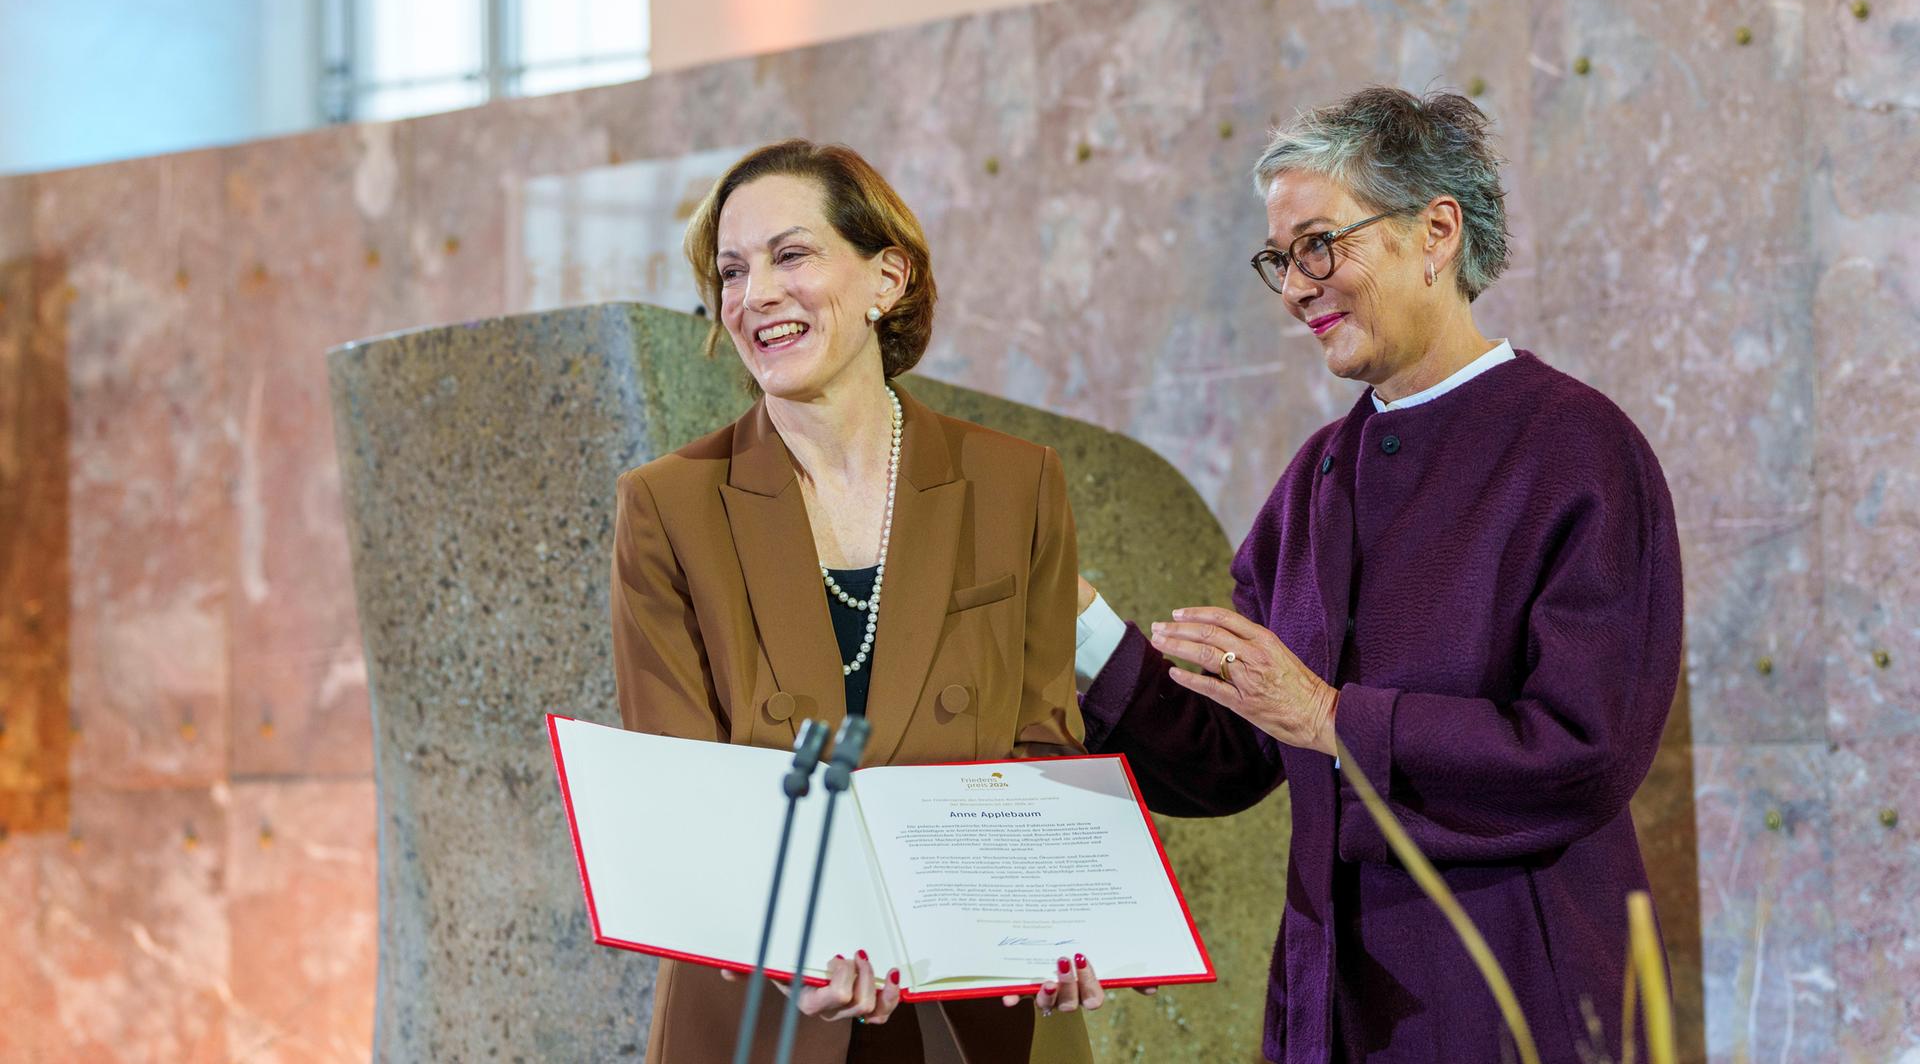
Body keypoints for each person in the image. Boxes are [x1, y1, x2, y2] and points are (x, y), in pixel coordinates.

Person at [1073, 88, 1684, 1063]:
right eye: (1281, 258)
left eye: (1320, 244)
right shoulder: (1318, 478)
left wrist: (1331, 718)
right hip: (1330, 1006)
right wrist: (1080, 627)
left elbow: (1587, 749)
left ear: (1435, 231)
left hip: (1510, 991)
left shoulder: (1575, 448)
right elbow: (1233, 755)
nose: (1295, 287)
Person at [611, 140, 1105, 1064]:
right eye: (731, 269)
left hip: (978, 1000)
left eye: (789, 256)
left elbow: (1043, 750)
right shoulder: (667, 506)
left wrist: (1058, 917)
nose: (755, 293)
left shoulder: (1016, 484)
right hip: (766, 1004)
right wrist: (804, 940)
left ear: (888, 277)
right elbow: (682, 799)